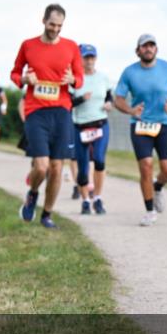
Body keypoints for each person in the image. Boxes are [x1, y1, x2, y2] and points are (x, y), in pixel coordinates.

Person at [10, 3, 83, 229]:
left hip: (61, 111)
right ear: (43, 21)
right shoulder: (28, 45)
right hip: (36, 111)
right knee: (41, 167)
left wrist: (72, 80)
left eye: (60, 26)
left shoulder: (71, 47)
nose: (55, 29)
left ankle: (47, 214)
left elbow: (80, 79)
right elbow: (14, 73)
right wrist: (24, 80)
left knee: (56, 168)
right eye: (52, 24)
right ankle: (32, 194)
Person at [113, 34, 167, 227]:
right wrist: (130, 110)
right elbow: (118, 99)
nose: (148, 49)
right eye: (144, 46)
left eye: (151, 46)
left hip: (165, 124)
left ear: (156, 49)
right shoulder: (129, 72)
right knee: (146, 165)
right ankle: (149, 211)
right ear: (138, 51)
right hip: (140, 124)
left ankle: (158, 186)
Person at [71, 44, 114, 215]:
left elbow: (109, 95)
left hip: (100, 124)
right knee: (82, 168)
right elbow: (67, 103)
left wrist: (109, 103)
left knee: (99, 160)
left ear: (95, 59)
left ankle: (97, 197)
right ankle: (85, 201)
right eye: (86, 57)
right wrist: (81, 99)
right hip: (80, 125)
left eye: (92, 57)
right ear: (79, 59)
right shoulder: (74, 79)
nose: (89, 61)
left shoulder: (103, 77)